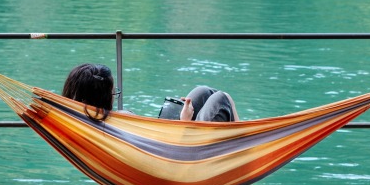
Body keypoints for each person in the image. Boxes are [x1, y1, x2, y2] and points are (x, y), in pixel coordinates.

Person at [62, 63, 239, 122]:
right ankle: (243, 151)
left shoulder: (84, 120)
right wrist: (185, 122)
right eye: (113, 92)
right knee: (221, 99)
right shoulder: (121, 121)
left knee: (202, 92)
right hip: (179, 160)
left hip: (160, 147)